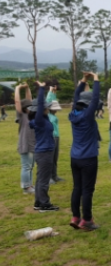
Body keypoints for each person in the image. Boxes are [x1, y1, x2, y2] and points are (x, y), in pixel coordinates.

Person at [69, 72, 101, 231]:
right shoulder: (88, 116)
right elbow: (95, 98)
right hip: (88, 158)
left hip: (75, 157)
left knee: (77, 188)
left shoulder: (74, 112)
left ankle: (76, 217)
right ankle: (87, 220)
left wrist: (83, 80)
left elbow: (76, 96)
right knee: (87, 190)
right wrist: (95, 79)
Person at [28, 82, 59, 212]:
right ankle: (44, 204)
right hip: (44, 152)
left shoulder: (43, 119)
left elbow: (45, 103)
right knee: (44, 180)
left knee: (40, 179)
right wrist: (41, 89)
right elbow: (41, 104)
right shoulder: (39, 120)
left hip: (43, 152)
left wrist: (50, 91)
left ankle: (38, 203)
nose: (47, 108)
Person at [15, 83, 36, 194]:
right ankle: (26, 188)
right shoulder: (22, 115)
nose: (30, 107)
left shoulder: (31, 115)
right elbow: (17, 102)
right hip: (25, 144)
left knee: (31, 166)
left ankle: (30, 185)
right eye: (28, 106)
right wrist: (17, 89)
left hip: (32, 144)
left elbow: (30, 100)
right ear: (23, 108)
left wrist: (28, 88)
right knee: (26, 166)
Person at [45, 86, 64, 183]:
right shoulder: (47, 114)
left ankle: (54, 175)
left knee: (55, 158)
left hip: (56, 137)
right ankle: (49, 178)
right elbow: (48, 101)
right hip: (50, 138)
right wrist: (50, 90)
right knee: (50, 158)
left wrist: (54, 92)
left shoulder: (53, 115)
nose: (56, 110)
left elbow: (53, 101)